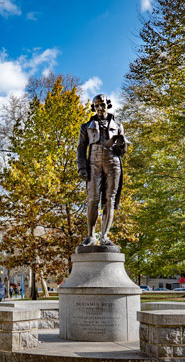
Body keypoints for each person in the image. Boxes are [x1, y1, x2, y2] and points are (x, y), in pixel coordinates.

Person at [76, 94, 127, 247]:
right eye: (96, 105)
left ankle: (104, 236)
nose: (99, 108)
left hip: (113, 162)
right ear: (93, 107)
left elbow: (122, 152)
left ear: (108, 105)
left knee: (109, 200)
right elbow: (81, 148)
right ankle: (91, 236)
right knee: (93, 199)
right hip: (94, 162)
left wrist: (122, 143)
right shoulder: (86, 126)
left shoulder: (118, 125)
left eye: (102, 104)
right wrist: (82, 167)